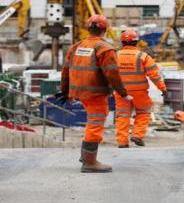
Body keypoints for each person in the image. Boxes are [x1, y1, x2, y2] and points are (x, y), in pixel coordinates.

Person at [56, 14, 131, 173]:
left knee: (92, 122)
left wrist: (65, 91)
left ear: (88, 28)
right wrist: (123, 93)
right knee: (95, 125)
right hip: (96, 94)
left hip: (80, 92)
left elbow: (65, 71)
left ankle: (86, 157)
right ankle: (90, 162)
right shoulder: (105, 48)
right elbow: (112, 74)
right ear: (105, 29)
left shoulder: (76, 47)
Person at [114, 30, 167, 148]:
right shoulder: (143, 56)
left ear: (122, 42)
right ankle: (137, 135)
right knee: (143, 112)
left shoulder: (115, 56)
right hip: (139, 92)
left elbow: (107, 73)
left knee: (122, 116)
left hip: (121, 92)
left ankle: (122, 142)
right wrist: (162, 89)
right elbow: (155, 75)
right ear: (136, 42)